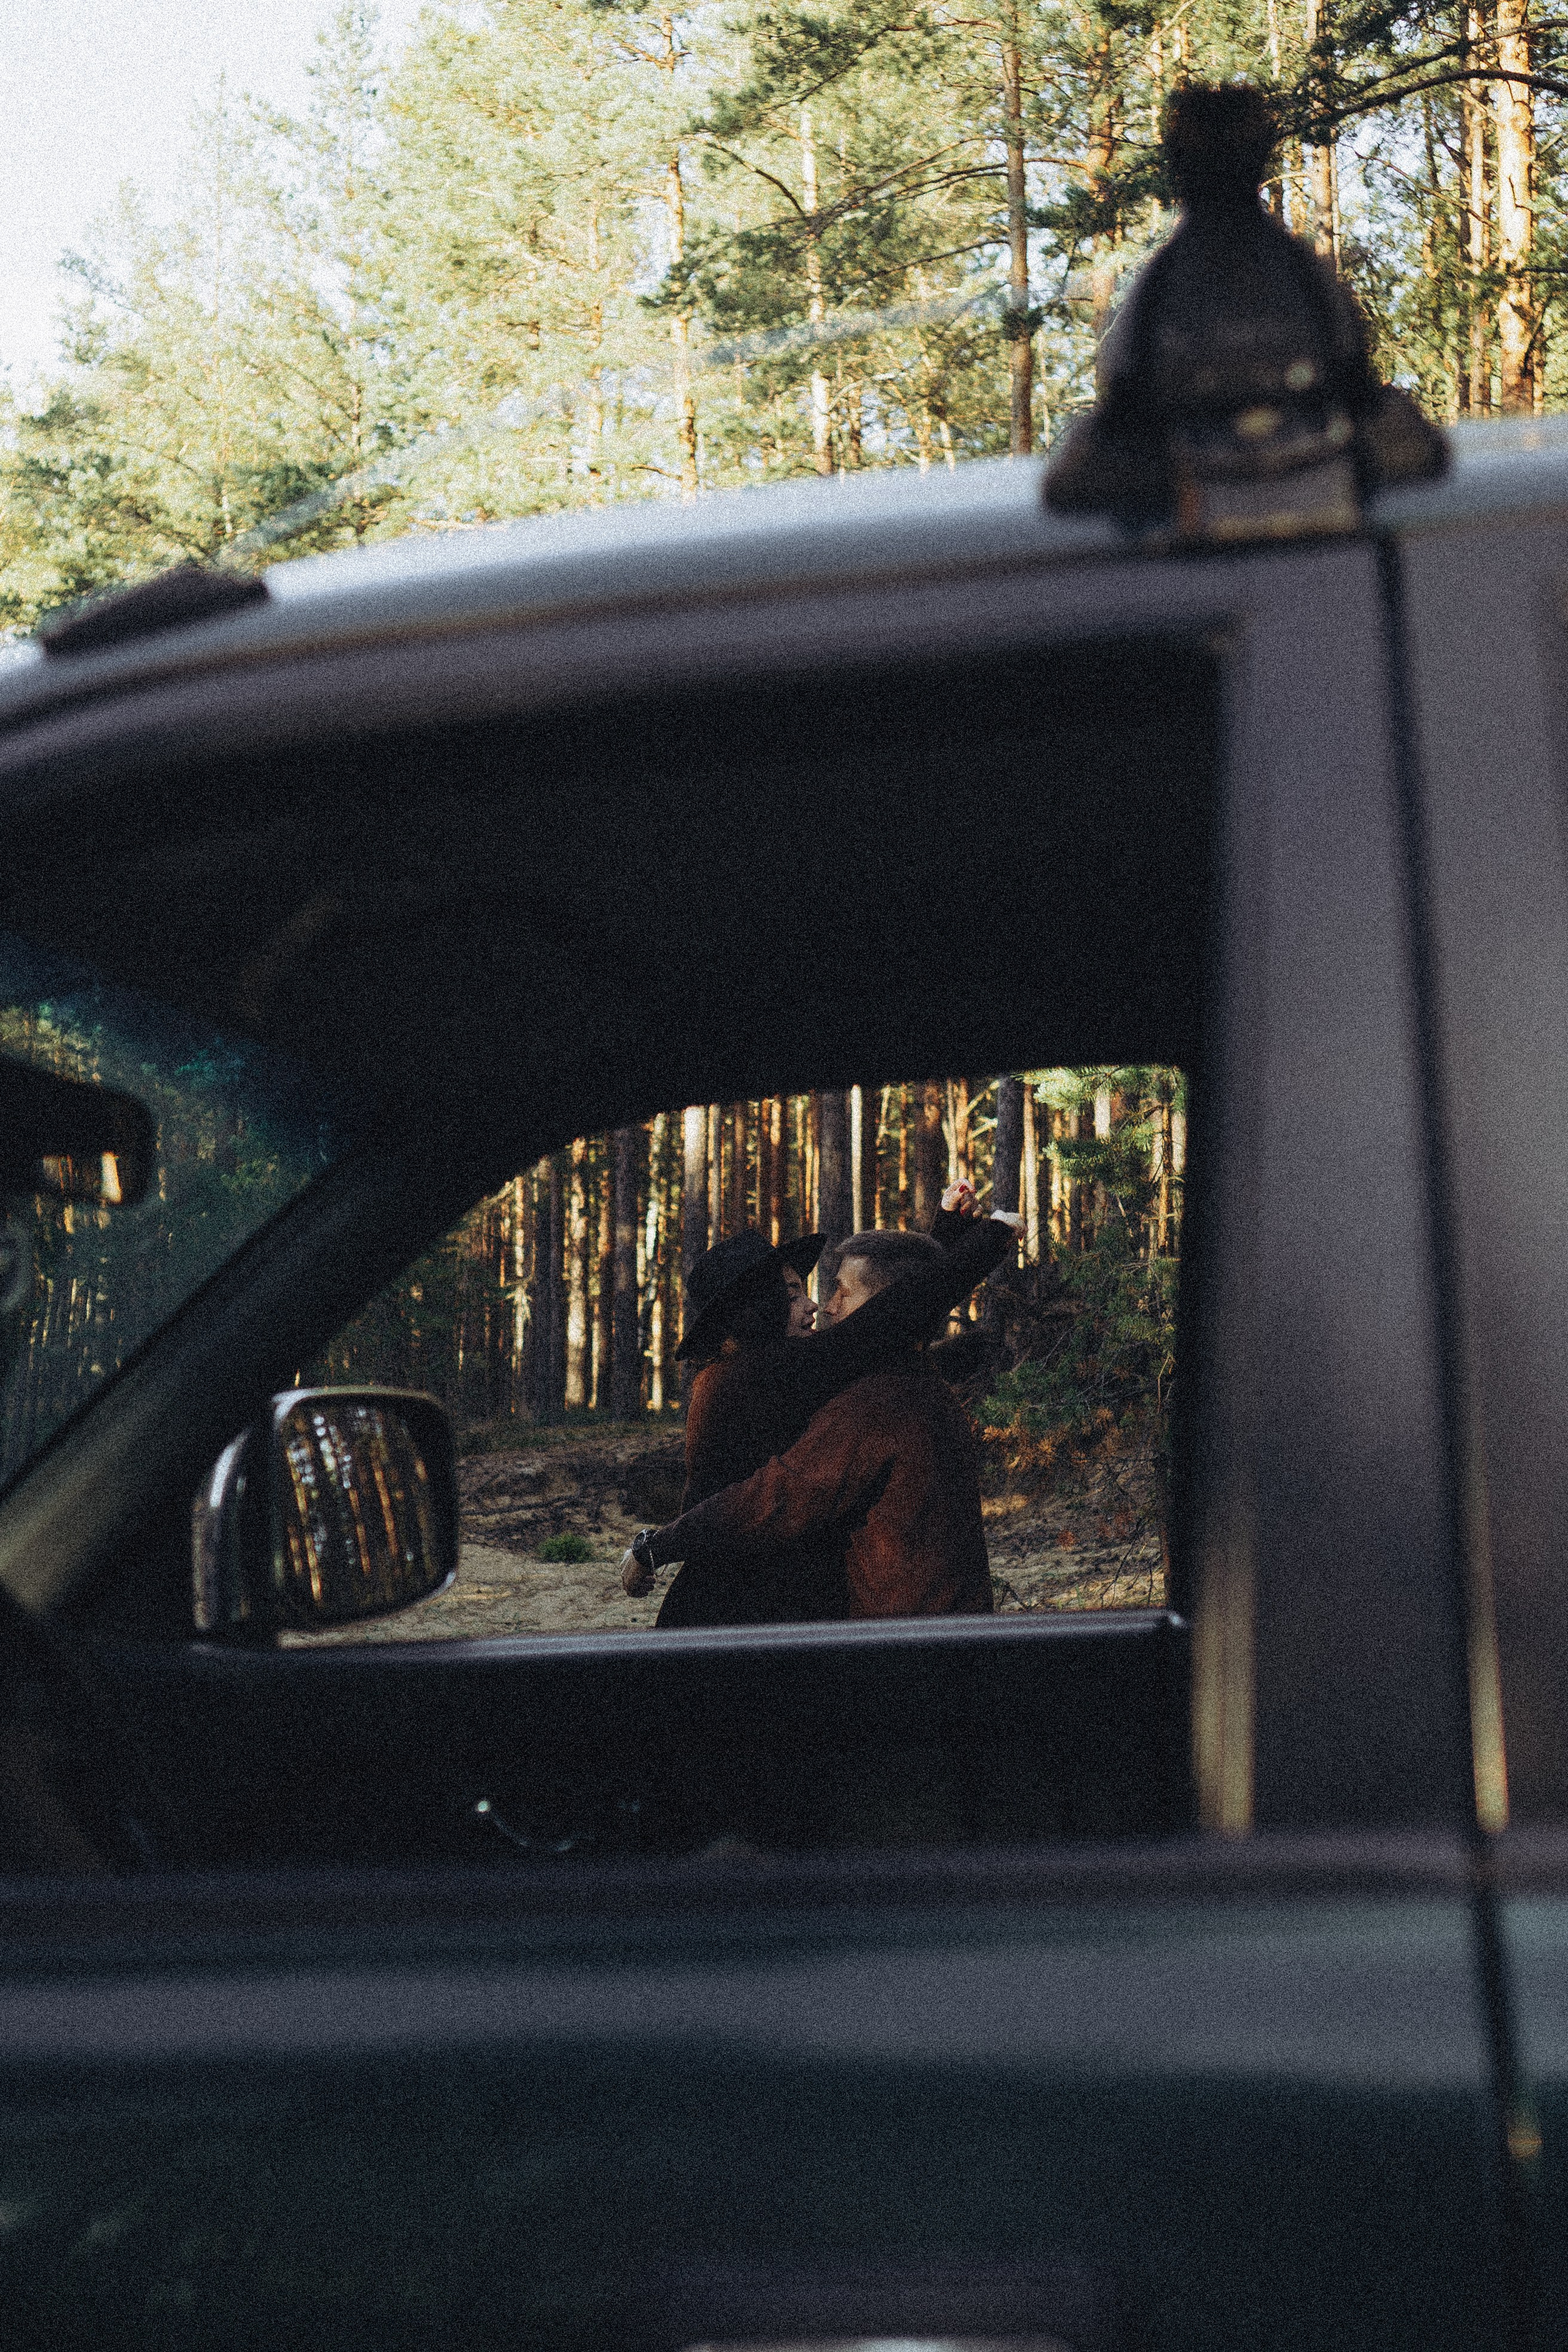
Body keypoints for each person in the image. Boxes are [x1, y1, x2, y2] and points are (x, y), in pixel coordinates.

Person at [642, 1188, 1019, 1627]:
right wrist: (986, 1241)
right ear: (757, 1309)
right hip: (740, 1611)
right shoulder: (750, 1377)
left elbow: (892, 1312)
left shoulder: (798, 1372)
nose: (817, 1306)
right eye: (790, 1295)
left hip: (785, 1606)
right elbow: (883, 1319)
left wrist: (945, 1236)